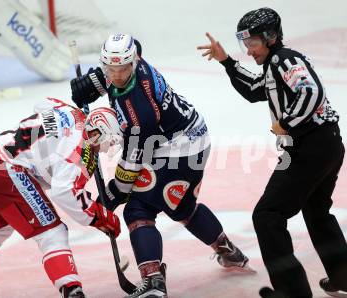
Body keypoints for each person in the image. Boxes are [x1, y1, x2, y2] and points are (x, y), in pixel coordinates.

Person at [70, 33, 252, 298]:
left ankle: (154, 281)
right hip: (189, 137)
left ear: (134, 62)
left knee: (137, 209)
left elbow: (134, 160)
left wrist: (114, 191)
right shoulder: (132, 60)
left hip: (180, 150)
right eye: (111, 68)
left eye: (122, 69)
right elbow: (130, 50)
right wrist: (96, 80)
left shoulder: (139, 108)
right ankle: (229, 252)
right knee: (181, 207)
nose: (117, 75)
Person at [197, 7, 347, 298]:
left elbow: (310, 92)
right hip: (323, 144)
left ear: (271, 36)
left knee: (267, 215)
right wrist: (226, 61)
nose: (249, 50)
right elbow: (255, 89)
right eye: (245, 44)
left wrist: (286, 122)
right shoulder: (274, 65)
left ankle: (292, 292)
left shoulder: (283, 58)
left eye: (252, 43)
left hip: (310, 147)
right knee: (317, 212)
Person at [0, 98, 122, 298]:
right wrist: (101, 217)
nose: (107, 149)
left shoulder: (67, 109)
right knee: (52, 232)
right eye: (108, 141)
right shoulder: (78, 152)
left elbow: (42, 103)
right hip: (7, 170)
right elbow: (65, 192)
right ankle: (73, 291)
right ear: (96, 133)